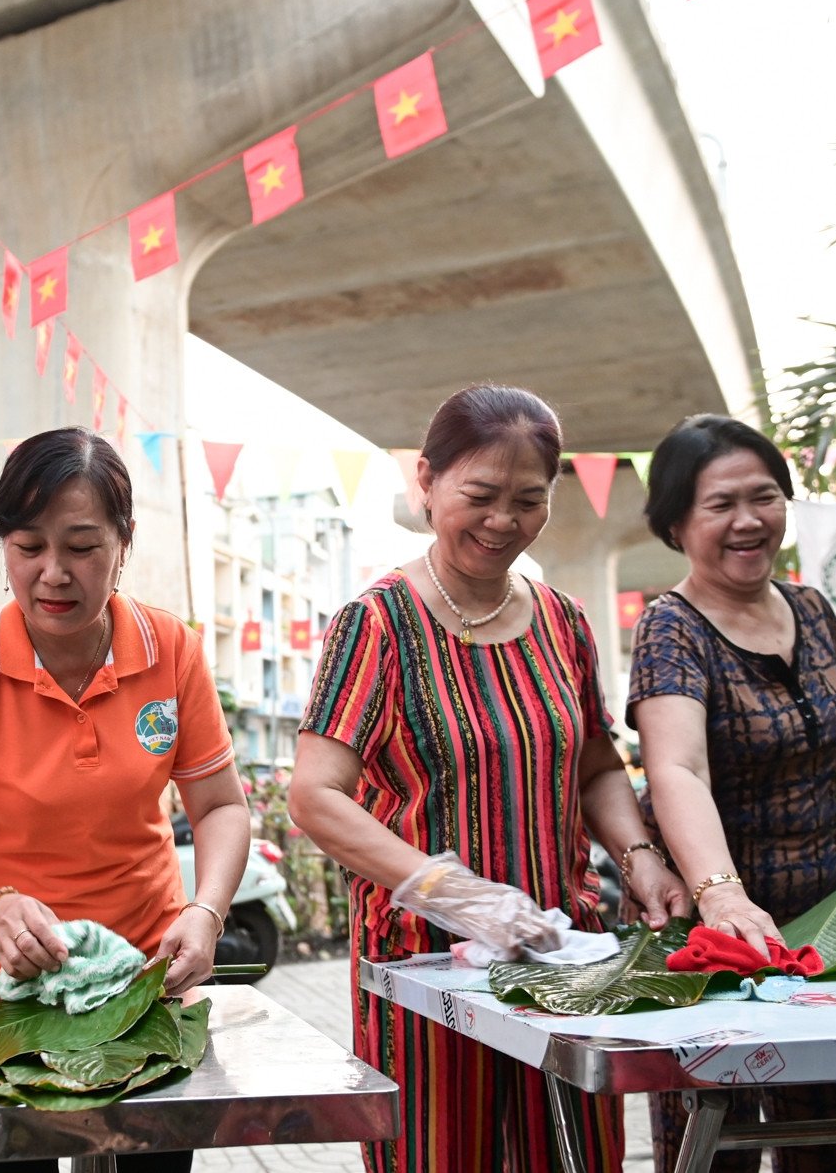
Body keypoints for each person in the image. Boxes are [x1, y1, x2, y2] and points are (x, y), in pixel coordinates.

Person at [288, 384, 690, 1173]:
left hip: (560, 953)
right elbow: (314, 793)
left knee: (575, 1158)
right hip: (426, 965)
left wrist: (642, 856)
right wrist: (455, 892)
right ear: (428, 483)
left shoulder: (564, 621)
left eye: (527, 501)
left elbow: (597, 764)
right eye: (480, 495)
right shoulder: (378, 623)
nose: (502, 521)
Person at [0, 427, 249, 1173]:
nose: (53, 573)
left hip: (145, 986)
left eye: (81, 545)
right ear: (2, 544)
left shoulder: (172, 652)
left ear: (122, 542)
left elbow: (221, 806)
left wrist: (205, 911)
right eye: (28, 545)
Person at [628, 414, 836, 1173]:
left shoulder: (811, 608)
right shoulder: (672, 627)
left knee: (830, 1130)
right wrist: (723, 896)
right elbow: (677, 769)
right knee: (714, 1136)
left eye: (764, 497)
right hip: (714, 931)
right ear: (675, 522)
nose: (748, 521)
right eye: (720, 504)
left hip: (825, 921)